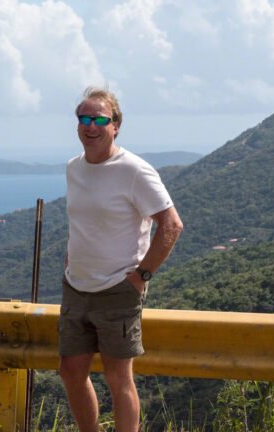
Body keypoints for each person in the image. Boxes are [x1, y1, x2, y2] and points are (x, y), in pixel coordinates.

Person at [59, 86, 183, 432]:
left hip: (118, 289)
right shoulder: (74, 168)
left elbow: (171, 225)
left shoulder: (133, 170)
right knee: (70, 372)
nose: (91, 126)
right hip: (76, 286)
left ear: (116, 126)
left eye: (100, 119)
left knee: (118, 379)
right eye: (84, 118)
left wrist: (142, 275)